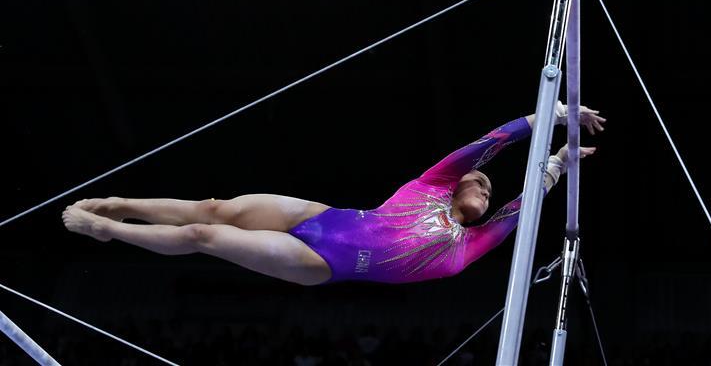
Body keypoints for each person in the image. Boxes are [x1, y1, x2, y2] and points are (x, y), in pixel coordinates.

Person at [63, 103, 605, 286]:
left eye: (489, 195)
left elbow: (522, 208)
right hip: (321, 217)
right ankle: (120, 204)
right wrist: (550, 114)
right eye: (481, 181)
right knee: (214, 208)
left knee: (204, 235)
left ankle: (108, 231)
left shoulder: (467, 247)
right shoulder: (431, 185)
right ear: (459, 180)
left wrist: (558, 162)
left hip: (321, 262)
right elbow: (486, 146)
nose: (485, 190)